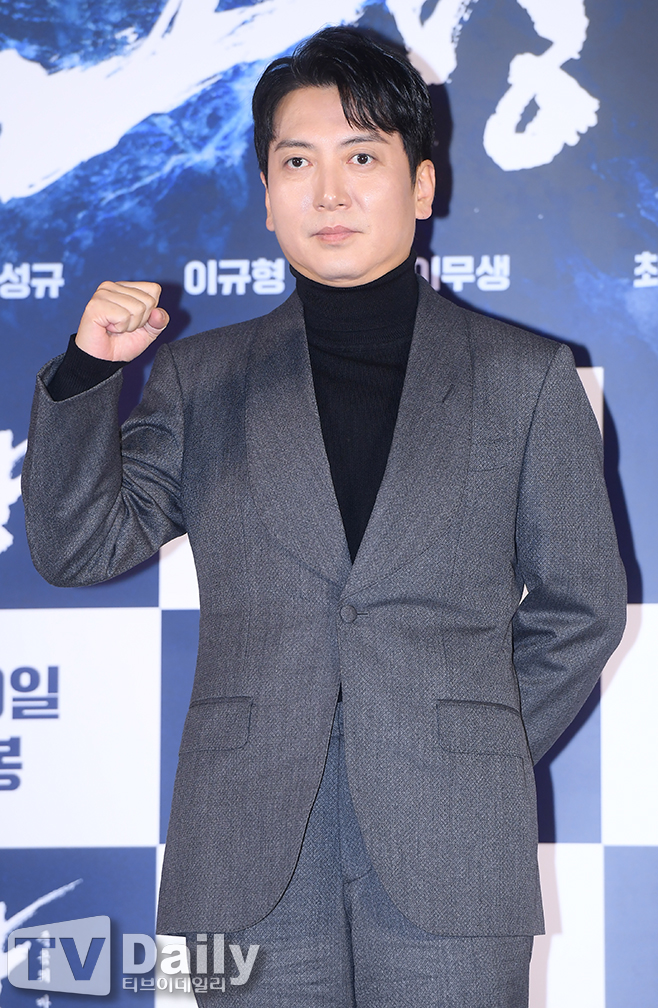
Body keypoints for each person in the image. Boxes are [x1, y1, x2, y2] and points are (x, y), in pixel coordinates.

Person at [23, 26, 626, 1008]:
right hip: (242, 852)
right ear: (267, 195)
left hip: (454, 852)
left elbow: (582, 605)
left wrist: (467, 742)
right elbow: (77, 547)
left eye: (363, 158)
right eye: (297, 162)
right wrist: (91, 372)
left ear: (422, 185)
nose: (330, 192)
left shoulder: (525, 378)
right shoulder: (201, 377)